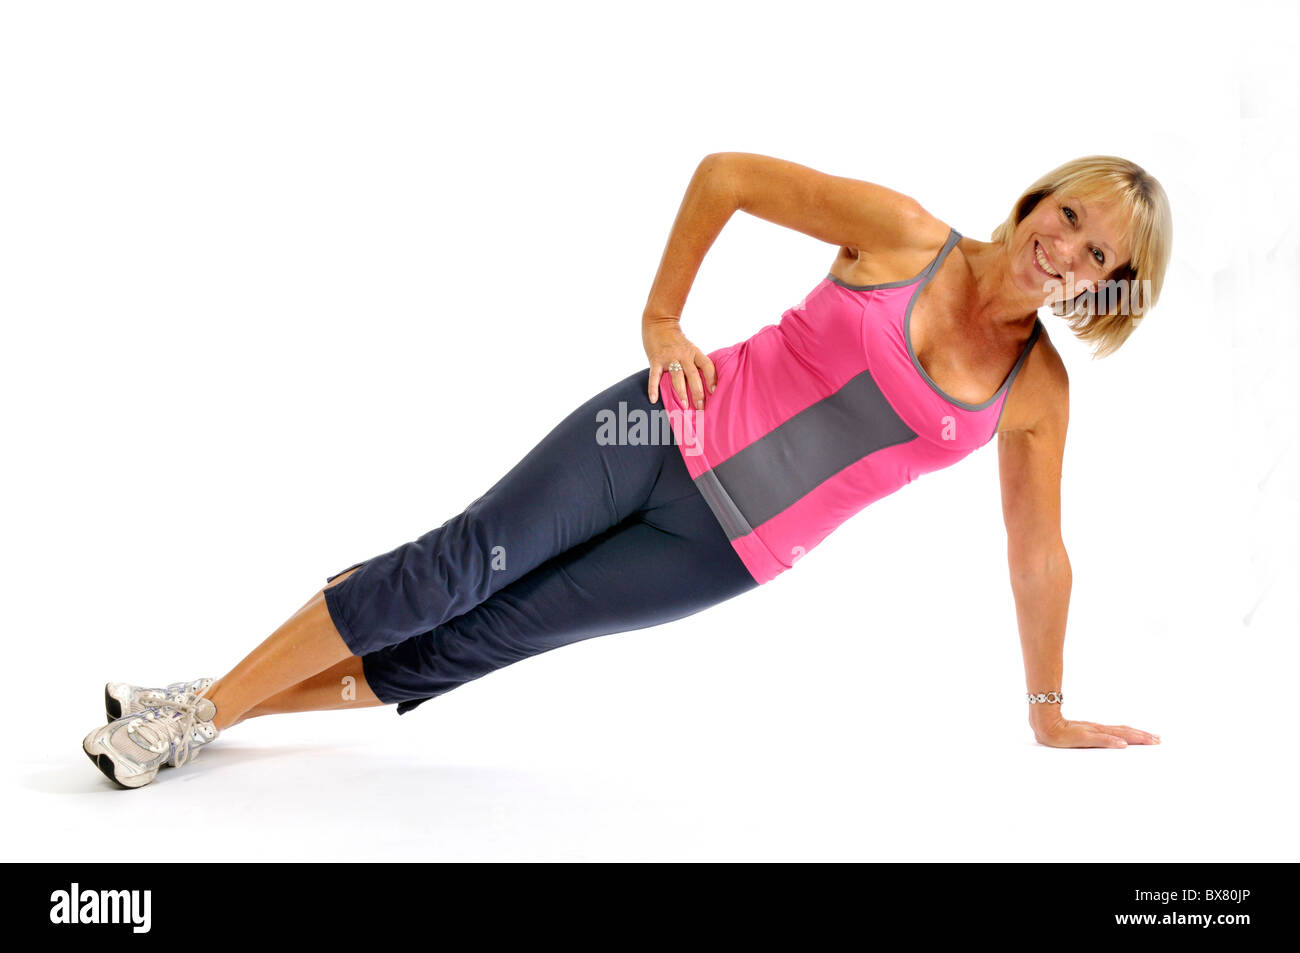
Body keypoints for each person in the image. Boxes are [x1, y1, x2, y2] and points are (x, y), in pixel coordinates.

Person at [83, 152, 1172, 788]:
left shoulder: (1037, 394)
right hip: (650, 434)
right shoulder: (901, 232)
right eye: (1068, 213)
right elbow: (726, 176)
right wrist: (662, 319)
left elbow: (1038, 551)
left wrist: (1046, 705)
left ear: (1110, 286)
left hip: (721, 550)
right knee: (453, 568)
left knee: (469, 643)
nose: (1065, 249)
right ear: (1039, 197)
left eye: (1098, 254)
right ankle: (195, 715)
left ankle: (204, 707)